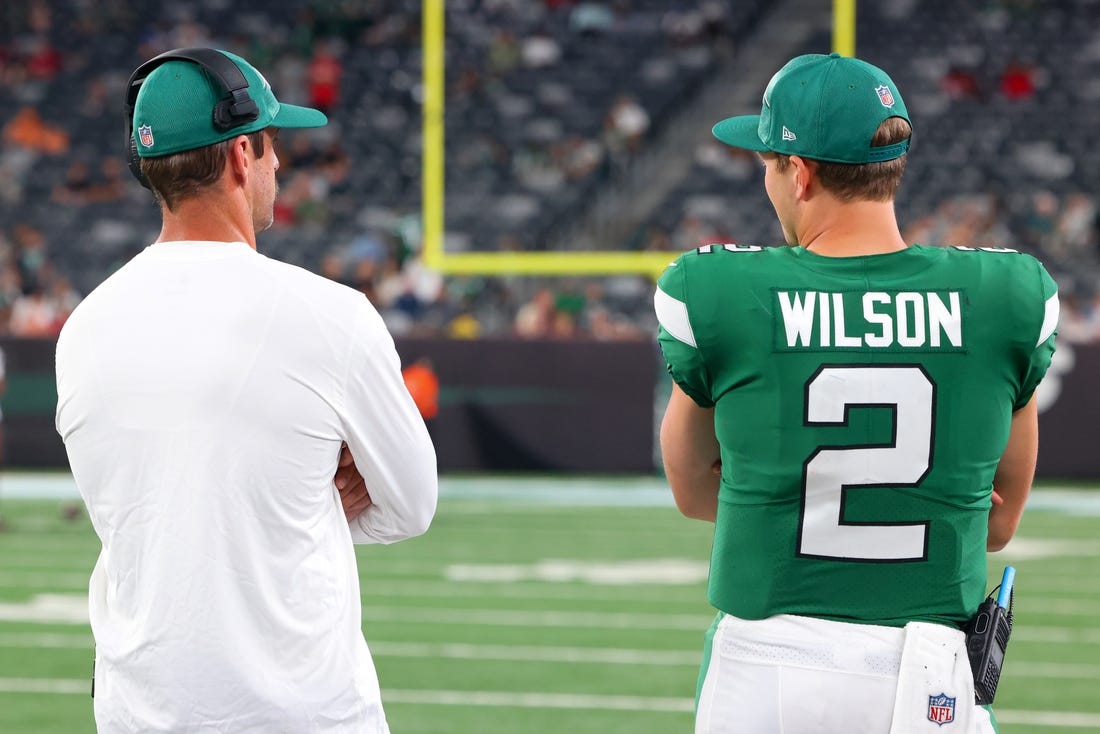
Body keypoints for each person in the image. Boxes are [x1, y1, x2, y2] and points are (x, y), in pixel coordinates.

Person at [655, 53, 1057, 734]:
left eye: (767, 160)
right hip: (927, 665)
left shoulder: (720, 291)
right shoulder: (1007, 296)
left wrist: (784, 505)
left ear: (800, 172)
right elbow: (998, 521)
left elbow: (695, 492)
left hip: (767, 660)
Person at [54, 48, 438, 734]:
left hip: (137, 714)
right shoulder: (329, 316)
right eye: (271, 148)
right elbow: (411, 506)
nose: (280, 166)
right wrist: (311, 484)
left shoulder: (83, 327)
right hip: (303, 715)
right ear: (239, 156)